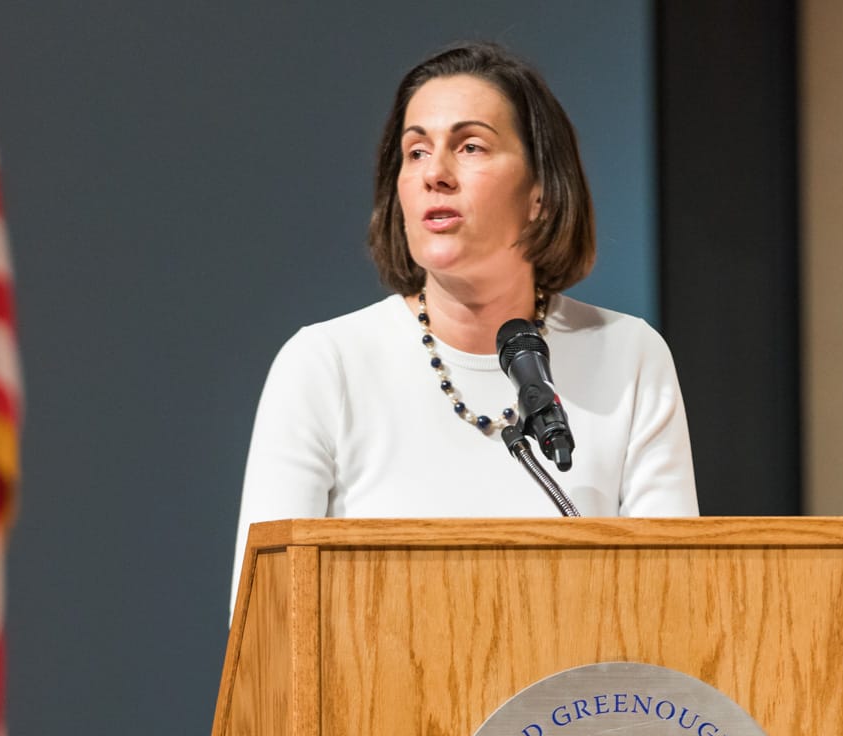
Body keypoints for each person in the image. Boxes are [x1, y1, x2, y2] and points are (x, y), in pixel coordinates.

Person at [231, 41, 697, 600]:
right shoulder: (326, 365)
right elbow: (267, 620)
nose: (437, 174)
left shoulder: (628, 357)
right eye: (416, 152)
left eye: (471, 146)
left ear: (541, 195)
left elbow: (675, 606)